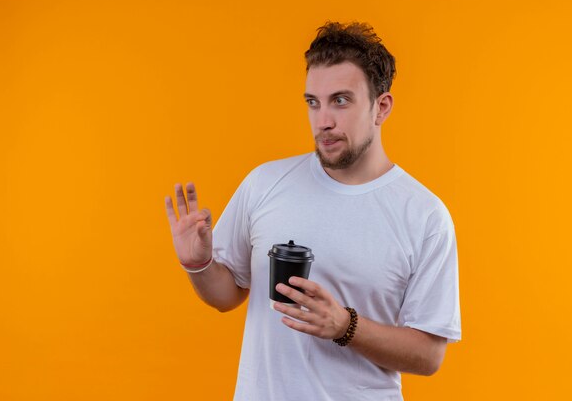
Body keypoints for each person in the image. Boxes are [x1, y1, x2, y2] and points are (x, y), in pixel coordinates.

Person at [164, 21, 461, 400]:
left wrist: (345, 325)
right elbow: (227, 296)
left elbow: (429, 355)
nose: (323, 121)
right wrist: (199, 265)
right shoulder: (265, 183)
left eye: (341, 100)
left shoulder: (424, 216)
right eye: (312, 102)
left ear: (380, 107)